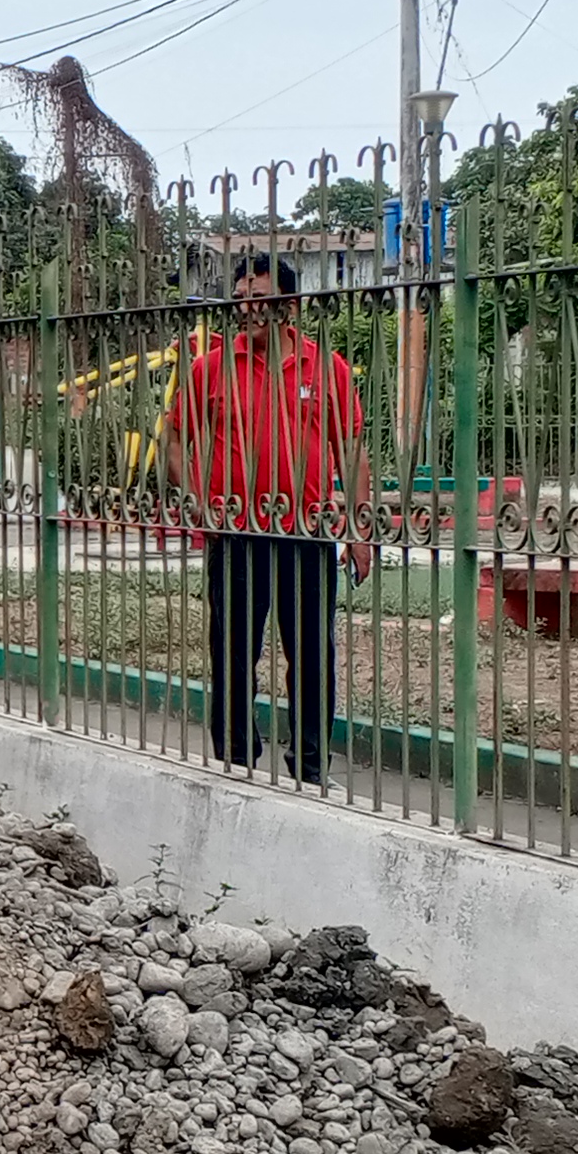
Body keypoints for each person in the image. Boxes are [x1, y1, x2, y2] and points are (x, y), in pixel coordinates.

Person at [161, 252, 369, 778]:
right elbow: (175, 441)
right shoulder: (210, 369)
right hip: (236, 532)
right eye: (240, 300)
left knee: (312, 656)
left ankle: (311, 766)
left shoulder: (327, 368)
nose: (247, 309)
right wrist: (200, 504)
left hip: (306, 530)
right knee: (232, 655)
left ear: (290, 306)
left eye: (259, 299)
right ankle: (234, 760)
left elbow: (351, 449)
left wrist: (359, 529)